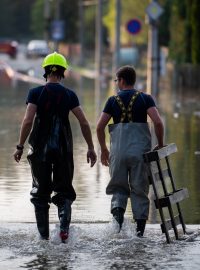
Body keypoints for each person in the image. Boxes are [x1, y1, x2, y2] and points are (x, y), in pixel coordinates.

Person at [13, 52, 97, 242]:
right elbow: (84, 123)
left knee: (40, 192)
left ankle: (43, 237)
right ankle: (64, 232)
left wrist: (19, 146)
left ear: (45, 71)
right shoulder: (69, 95)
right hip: (63, 148)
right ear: (63, 72)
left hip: (39, 149)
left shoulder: (35, 93)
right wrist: (91, 147)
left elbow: (27, 121)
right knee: (64, 190)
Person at [96, 65, 164, 237]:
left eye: (116, 80)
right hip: (140, 154)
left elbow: (99, 127)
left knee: (118, 188)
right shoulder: (145, 99)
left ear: (122, 80)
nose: (116, 83)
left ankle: (117, 229)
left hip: (117, 154)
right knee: (139, 190)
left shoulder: (112, 101)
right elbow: (158, 122)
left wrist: (104, 149)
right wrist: (160, 143)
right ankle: (139, 233)